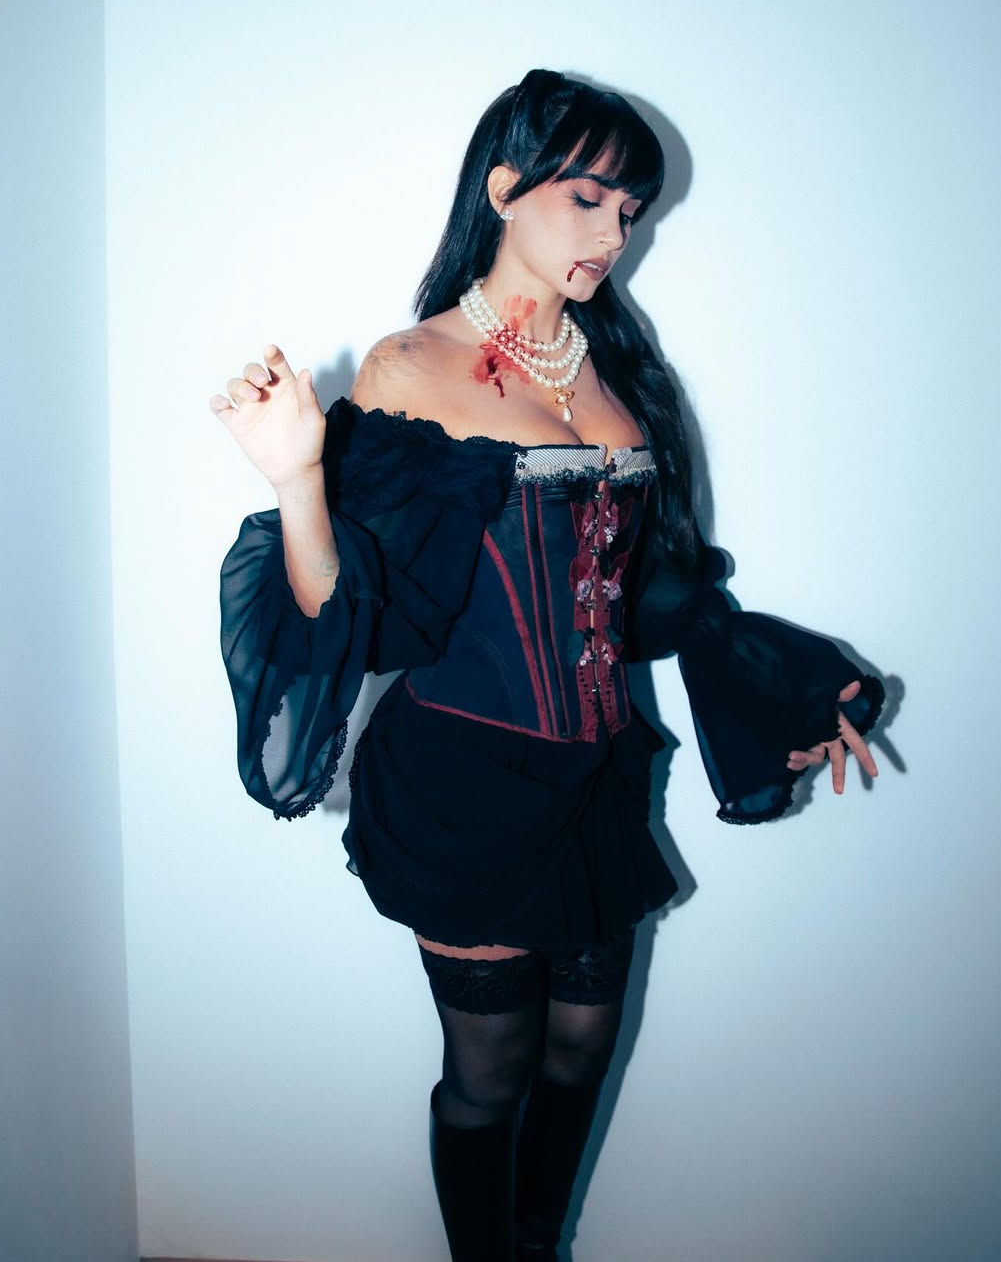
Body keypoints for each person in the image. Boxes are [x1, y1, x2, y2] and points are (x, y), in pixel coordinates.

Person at [210, 69, 883, 1261]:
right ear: (505, 187)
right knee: (492, 1070)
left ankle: (538, 1246)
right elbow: (348, 613)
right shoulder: (410, 365)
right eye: (589, 199)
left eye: (631, 210)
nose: (614, 234)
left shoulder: (618, 370)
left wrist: (791, 688)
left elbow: (657, 598)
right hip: (464, 781)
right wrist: (299, 478)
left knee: (580, 1050)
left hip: (597, 774)